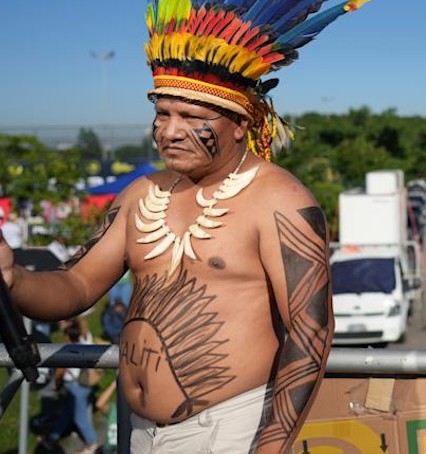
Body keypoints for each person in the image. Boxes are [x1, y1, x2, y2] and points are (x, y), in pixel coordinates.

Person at [0, 1, 373, 452]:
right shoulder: (141, 194)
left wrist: (271, 443)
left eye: (193, 118)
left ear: (241, 124)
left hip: (231, 431)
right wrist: (13, 278)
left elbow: (311, 331)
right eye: (163, 113)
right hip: (140, 431)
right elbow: (76, 286)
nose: (170, 131)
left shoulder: (279, 200)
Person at [42, 320, 100, 454]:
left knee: (79, 417)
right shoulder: (84, 343)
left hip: (75, 387)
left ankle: (92, 443)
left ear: (67, 337)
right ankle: (53, 438)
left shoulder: (67, 351)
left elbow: (60, 371)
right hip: (85, 385)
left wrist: (56, 385)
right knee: (67, 412)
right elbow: (84, 326)